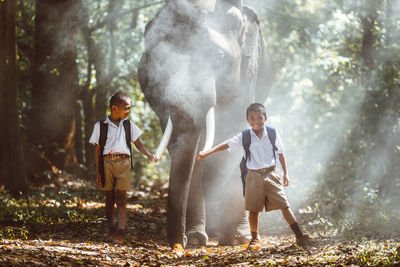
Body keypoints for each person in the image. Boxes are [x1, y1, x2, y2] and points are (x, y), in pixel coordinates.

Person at [196, 103, 312, 249]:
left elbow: (281, 153)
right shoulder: (245, 136)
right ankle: (255, 239)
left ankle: (300, 236)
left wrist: (286, 173)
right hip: (253, 176)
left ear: (265, 118)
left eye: (259, 117)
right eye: (252, 118)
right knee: (253, 209)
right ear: (247, 120)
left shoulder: (272, 133)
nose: (256, 120)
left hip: (271, 174)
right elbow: (227, 144)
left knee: (284, 206)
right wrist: (208, 152)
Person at [89, 92, 158, 244]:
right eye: (124, 108)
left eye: (129, 108)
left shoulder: (128, 125)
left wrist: (149, 155)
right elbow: (98, 149)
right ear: (114, 108)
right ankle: (111, 229)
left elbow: (138, 143)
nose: (127, 111)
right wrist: (98, 172)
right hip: (107, 163)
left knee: (121, 199)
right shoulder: (100, 126)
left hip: (124, 164)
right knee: (109, 198)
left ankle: (121, 231)